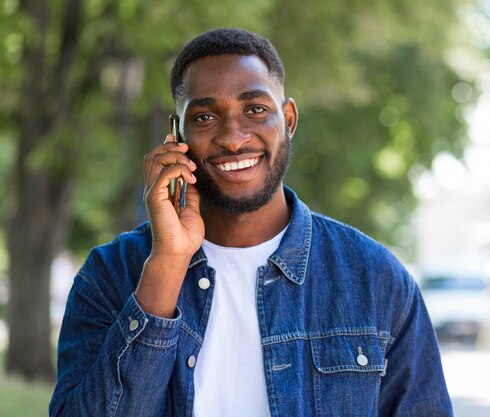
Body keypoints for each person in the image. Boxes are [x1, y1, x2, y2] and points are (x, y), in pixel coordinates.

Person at [49, 28, 453, 417]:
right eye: (205, 117)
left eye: (255, 110)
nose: (233, 137)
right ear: (176, 135)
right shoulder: (109, 275)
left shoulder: (376, 279)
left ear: (288, 120)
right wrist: (168, 260)